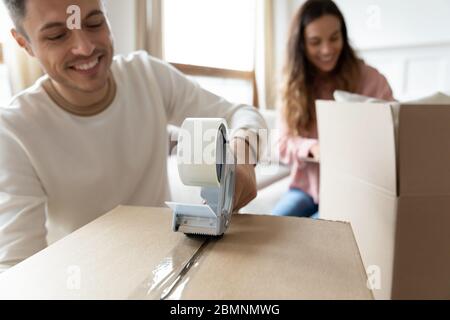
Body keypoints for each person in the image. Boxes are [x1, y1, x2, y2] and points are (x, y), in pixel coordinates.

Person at [0, 0, 267, 272]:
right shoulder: (14, 130)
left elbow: (243, 114)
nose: (85, 47)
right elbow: (14, 267)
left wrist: (241, 154)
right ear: (24, 43)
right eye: (57, 35)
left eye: (95, 23)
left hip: (167, 265)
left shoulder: (148, 76)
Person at [273, 0, 394, 218]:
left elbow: (395, 132)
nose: (327, 49)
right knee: (270, 229)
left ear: (343, 37)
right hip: (306, 188)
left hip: (355, 191)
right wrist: (312, 148)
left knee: (319, 237)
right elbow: (282, 143)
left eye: (334, 38)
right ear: (301, 44)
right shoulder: (293, 85)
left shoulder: (371, 80)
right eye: (315, 42)